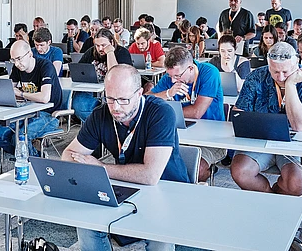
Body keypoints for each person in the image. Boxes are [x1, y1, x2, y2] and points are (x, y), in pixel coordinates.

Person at [64, 64, 188, 251]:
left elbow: (150, 176)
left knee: (159, 236)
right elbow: (68, 155)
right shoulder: (101, 114)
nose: (115, 107)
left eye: (123, 99)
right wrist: (86, 165)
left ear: (139, 94)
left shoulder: (161, 113)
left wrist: (99, 168)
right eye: (110, 98)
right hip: (126, 187)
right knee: (87, 223)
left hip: (168, 190)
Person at [230, 42, 302, 196]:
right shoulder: (257, 76)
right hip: (260, 138)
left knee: (298, 182)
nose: (280, 77)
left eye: (286, 72)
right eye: (275, 72)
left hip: (295, 142)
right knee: (240, 172)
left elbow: (299, 125)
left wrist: (291, 85)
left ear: (296, 64)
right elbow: (239, 114)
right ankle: (270, 199)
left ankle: (276, 201)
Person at [149, 45, 226, 180]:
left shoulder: (209, 72)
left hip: (211, 139)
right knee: (157, 162)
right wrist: (167, 93)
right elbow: (146, 99)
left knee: (197, 169)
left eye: (177, 76)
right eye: (170, 76)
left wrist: (165, 112)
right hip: (180, 135)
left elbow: (197, 112)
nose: (173, 80)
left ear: (190, 68)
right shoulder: (170, 78)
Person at [0, 41, 63, 156]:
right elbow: (9, 90)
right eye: (13, 60)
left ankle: (31, 161)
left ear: (30, 54)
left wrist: (21, 94)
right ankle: (29, 155)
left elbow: (44, 97)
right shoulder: (17, 68)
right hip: (26, 111)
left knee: (20, 137)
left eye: (19, 59)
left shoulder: (46, 66)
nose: (17, 63)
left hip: (48, 114)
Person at [73, 28, 134, 121]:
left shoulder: (122, 53)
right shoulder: (91, 51)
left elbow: (115, 75)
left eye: (103, 45)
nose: (100, 48)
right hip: (93, 89)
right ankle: (94, 125)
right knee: (79, 104)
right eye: (97, 45)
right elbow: (80, 69)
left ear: (112, 43)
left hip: (115, 91)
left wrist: (110, 52)